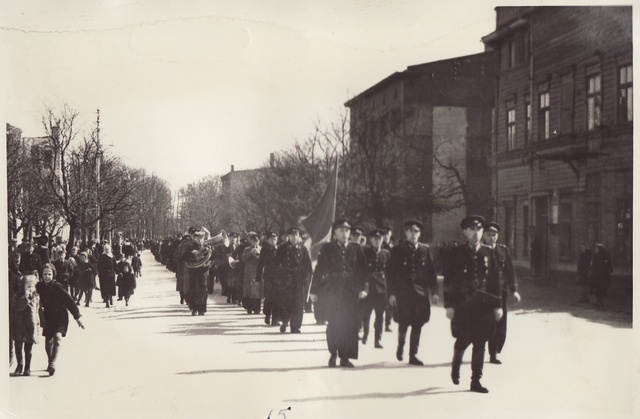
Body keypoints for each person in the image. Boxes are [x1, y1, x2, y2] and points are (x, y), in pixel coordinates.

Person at [444, 215, 502, 393]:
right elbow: (449, 280)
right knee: (463, 340)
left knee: (481, 341)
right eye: (472, 229)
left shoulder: (489, 253)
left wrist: (498, 305)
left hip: (483, 305)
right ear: (465, 232)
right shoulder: (457, 253)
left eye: (479, 229)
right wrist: (450, 305)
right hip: (463, 305)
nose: (476, 233)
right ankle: (456, 365)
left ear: (482, 232)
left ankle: (475, 381)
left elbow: (495, 281)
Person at [310, 219, 367, 368]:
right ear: (335, 233)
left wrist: (363, 288)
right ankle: (333, 353)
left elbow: (363, 272)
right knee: (334, 324)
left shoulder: (357, 249)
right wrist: (314, 290)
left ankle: (345, 357)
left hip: (350, 293)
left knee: (349, 325)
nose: (344, 233)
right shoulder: (327, 248)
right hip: (333, 292)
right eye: (341, 230)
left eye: (347, 230)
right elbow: (320, 269)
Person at [386, 220, 439, 366]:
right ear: (406, 233)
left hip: (420, 294)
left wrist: (434, 292)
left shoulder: (425, 250)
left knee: (418, 323)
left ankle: (413, 355)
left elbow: (431, 272)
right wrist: (392, 293)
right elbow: (390, 273)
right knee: (403, 323)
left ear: (420, 234)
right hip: (403, 293)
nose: (413, 234)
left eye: (416, 231)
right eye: (410, 231)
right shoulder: (398, 250)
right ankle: (401, 346)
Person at [36, 263, 85, 376]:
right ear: (41, 275)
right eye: (45, 274)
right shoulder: (39, 286)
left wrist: (77, 318)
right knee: (48, 341)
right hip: (48, 316)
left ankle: (53, 363)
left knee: (57, 338)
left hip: (60, 316)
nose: (47, 276)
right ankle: (50, 360)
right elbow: (34, 298)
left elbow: (69, 302)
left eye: (49, 274)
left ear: (53, 274)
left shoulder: (58, 286)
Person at [483, 222, 521, 364]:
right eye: (489, 235)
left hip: (501, 291)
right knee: (488, 322)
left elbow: (510, 271)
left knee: (501, 322)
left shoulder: (503, 250)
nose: (492, 238)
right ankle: (482, 348)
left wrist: (514, 290)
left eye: (494, 235)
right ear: (484, 236)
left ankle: (495, 351)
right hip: (484, 291)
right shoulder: (479, 250)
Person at [275, 227, 312, 333]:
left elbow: (307, 265)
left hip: (298, 280)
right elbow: (276, 263)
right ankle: (285, 321)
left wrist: (305, 278)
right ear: (288, 237)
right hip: (286, 279)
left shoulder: (303, 249)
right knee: (286, 302)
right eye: (291, 235)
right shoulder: (283, 248)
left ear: (299, 236)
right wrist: (279, 276)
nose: (294, 237)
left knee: (298, 304)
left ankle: (295, 326)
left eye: (296, 235)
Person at [360, 229, 389, 349]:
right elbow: (362, 270)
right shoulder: (365, 252)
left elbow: (389, 271)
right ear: (371, 240)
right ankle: (366, 333)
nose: (378, 241)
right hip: (369, 289)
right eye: (375, 239)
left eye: (380, 239)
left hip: (382, 289)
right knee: (366, 314)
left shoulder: (386, 253)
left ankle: (378, 339)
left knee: (380, 316)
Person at [10, 274, 40, 376]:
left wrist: (39, 322)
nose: (30, 288)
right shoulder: (17, 296)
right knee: (18, 346)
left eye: (32, 286)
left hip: (30, 327)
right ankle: (20, 365)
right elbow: (16, 308)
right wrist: (25, 298)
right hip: (19, 325)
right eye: (28, 286)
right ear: (23, 286)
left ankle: (28, 368)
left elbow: (37, 311)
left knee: (28, 348)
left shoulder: (36, 296)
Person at [182, 229, 212, 315]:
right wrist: (191, 253)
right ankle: (194, 308)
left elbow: (211, 257)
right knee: (193, 289)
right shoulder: (189, 246)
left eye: (202, 238)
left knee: (203, 289)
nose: (200, 240)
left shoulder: (207, 246)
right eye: (198, 238)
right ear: (194, 238)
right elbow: (183, 257)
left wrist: (209, 263)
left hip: (203, 270)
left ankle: (202, 309)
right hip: (193, 270)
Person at [257, 231, 280, 325]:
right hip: (268, 276)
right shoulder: (265, 250)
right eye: (272, 239)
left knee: (277, 297)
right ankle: (267, 315)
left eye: (275, 239)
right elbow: (260, 263)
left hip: (278, 276)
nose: (274, 241)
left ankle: (275, 318)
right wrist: (258, 277)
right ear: (268, 240)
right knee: (269, 296)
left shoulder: (279, 249)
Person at [241, 233, 263, 314]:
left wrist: (258, 254)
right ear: (251, 242)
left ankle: (257, 308)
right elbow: (243, 258)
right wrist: (250, 252)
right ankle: (249, 308)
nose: (255, 243)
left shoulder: (261, 249)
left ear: (259, 241)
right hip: (249, 272)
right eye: (254, 241)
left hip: (258, 271)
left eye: (257, 241)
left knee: (258, 289)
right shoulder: (247, 249)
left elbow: (263, 259)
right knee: (249, 290)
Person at [590, 243, 613, 309]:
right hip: (602, 275)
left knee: (598, 289)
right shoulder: (604, 255)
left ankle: (599, 303)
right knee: (599, 289)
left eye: (596, 248)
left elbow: (595, 265)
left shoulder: (598, 256)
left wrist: (592, 270)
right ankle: (600, 302)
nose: (596, 250)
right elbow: (608, 263)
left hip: (598, 276)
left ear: (599, 249)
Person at [381, 226, 394, 332]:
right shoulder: (379, 245)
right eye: (384, 234)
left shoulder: (393, 247)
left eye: (388, 234)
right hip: (380, 276)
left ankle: (388, 324)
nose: (386, 236)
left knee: (389, 301)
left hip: (390, 276)